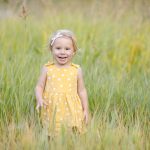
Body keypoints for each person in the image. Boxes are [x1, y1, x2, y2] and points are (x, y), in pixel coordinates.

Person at [35, 29, 88, 136]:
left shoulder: (76, 70)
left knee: (72, 132)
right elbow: (39, 86)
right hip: (52, 107)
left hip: (72, 108)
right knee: (52, 132)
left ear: (74, 51)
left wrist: (86, 109)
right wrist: (39, 99)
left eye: (67, 49)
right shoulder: (47, 69)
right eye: (58, 48)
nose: (62, 52)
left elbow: (82, 91)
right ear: (51, 49)